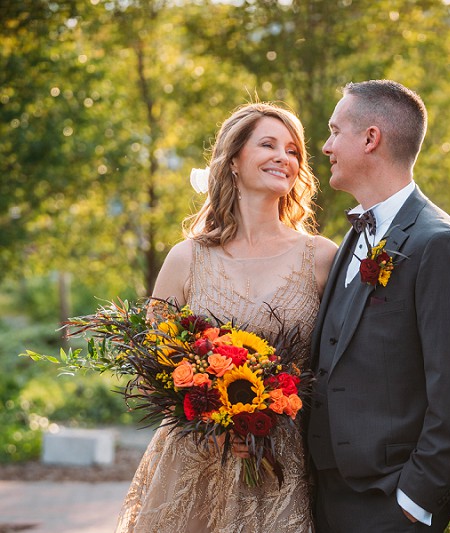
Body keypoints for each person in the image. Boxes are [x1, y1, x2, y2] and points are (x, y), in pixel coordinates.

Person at [116, 102, 338, 532]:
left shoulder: (322, 258)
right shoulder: (187, 259)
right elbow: (150, 366)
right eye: (268, 144)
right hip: (194, 461)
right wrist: (209, 418)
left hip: (280, 463)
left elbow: (339, 366)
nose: (284, 157)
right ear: (233, 160)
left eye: (293, 151)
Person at [307, 80, 450, 532]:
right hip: (330, 495)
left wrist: (415, 499)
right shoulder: (355, 234)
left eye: (334, 131)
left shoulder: (438, 243)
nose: (326, 145)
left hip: (391, 505)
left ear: (371, 139)